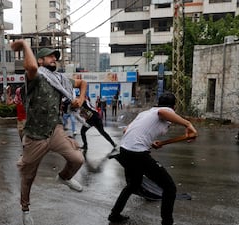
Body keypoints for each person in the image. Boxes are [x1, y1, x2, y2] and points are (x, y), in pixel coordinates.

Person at [10, 39, 88, 225]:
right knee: (28, 176)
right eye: (50, 56)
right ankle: (25, 209)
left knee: (78, 159)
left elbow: (82, 82)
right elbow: (31, 67)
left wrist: (80, 98)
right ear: (40, 60)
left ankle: (64, 177)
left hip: (55, 130)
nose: (55, 58)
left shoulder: (60, 79)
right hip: (35, 136)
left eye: (56, 56)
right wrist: (24, 45)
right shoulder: (34, 77)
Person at [107, 92, 197, 225]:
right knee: (169, 187)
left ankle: (114, 215)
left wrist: (150, 142)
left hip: (125, 150)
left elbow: (127, 130)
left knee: (133, 185)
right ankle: (167, 222)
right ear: (173, 106)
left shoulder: (145, 113)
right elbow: (163, 112)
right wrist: (187, 124)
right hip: (137, 153)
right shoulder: (164, 111)